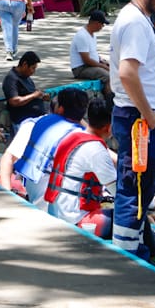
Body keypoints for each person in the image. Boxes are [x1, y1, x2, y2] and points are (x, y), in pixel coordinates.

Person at [109, 0, 155, 261]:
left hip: (146, 117)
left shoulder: (142, 19)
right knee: (133, 188)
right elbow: (127, 73)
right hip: (140, 120)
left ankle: (135, 249)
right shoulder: (135, 22)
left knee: (142, 187)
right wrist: (149, 116)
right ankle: (125, 258)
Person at [0, 88, 88, 211]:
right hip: (51, 202)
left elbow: (8, 158)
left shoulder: (76, 131)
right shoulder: (34, 126)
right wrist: (7, 194)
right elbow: (8, 158)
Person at [45, 98, 117, 238]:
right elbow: (119, 193)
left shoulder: (72, 137)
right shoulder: (96, 150)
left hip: (56, 213)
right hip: (77, 221)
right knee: (131, 216)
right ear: (109, 127)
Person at [69, 10, 112, 98]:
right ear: (96, 23)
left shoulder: (92, 35)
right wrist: (103, 66)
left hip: (90, 65)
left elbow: (92, 52)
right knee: (108, 76)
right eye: (102, 24)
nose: (102, 27)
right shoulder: (82, 36)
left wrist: (102, 60)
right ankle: (109, 99)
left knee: (113, 69)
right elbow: (86, 60)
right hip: (81, 68)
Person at [2, 51, 48, 129]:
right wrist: (34, 95)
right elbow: (14, 101)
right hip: (24, 120)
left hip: (37, 117)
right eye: (33, 68)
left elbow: (30, 93)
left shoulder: (26, 77)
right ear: (25, 65)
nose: (33, 72)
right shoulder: (11, 79)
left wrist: (41, 96)